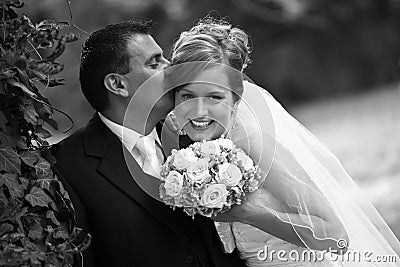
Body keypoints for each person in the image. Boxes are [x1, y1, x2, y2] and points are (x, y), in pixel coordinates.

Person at [159, 17, 400, 266]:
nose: (199, 110)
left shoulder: (254, 144)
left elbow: (335, 236)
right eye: (187, 95)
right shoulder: (196, 152)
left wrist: (251, 213)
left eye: (214, 97)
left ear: (236, 99)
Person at [52, 20, 246, 267]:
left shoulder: (198, 137)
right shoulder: (66, 167)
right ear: (118, 85)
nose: (171, 69)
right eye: (155, 63)